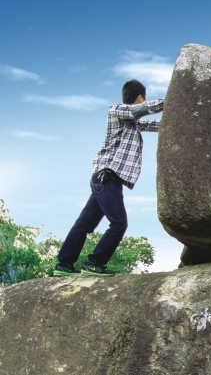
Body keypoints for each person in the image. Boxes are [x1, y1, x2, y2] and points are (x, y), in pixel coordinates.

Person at [54, 79, 164, 277]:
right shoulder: (117, 110)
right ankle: (94, 263)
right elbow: (137, 111)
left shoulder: (134, 124)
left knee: (84, 224)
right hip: (107, 178)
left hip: (104, 180)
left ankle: (64, 264)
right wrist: (170, 100)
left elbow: (156, 124)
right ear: (140, 97)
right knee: (119, 223)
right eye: (143, 99)